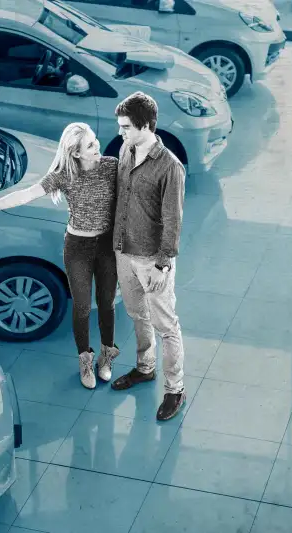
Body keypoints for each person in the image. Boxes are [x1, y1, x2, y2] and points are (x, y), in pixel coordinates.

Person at [0, 123, 120, 390]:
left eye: (95, 140)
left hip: (106, 247)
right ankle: (85, 360)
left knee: (107, 303)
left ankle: (107, 356)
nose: (97, 146)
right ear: (76, 153)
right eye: (90, 144)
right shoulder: (64, 175)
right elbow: (24, 196)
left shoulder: (111, 166)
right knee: (82, 306)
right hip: (77, 246)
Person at [109, 92, 187, 422]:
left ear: (146, 125)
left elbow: (173, 219)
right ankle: (145, 369)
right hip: (123, 253)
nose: (121, 132)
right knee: (137, 315)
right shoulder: (126, 149)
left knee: (166, 325)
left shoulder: (170, 167)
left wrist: (161, 263)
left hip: (152, 260)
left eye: (126, 127)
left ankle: (175, 389)